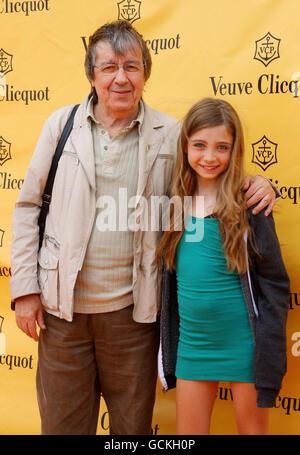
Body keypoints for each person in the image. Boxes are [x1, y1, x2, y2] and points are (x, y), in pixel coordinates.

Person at [9, 20, 278, 435]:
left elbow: (209, 168)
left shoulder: (171, 134)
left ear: (146, 73)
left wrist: (259, 183)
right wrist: (25, 290)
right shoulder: (61, 126)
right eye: (109, 67)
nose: (121, 77)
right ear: (92, 75)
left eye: (132, 67)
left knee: (132, 431)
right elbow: (27, 207)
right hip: (61, 314)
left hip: (134, 319)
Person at [157, 98, 290, 435]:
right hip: (193, 344)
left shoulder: (250, 204)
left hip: (245, 345)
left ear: (235, 150)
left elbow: (275, 283)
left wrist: (268, 344)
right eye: (199, 145)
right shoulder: (173, 205)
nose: (210, 157)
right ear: (185, 145)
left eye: (222, 147)